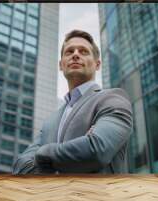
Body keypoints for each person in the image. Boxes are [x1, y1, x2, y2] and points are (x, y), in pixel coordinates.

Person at [12, 30, 133, 174]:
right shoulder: (50, 121)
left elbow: (96, 150)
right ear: (61, 65)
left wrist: (43, 153)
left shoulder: (113, 99)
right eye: (69, 52)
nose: (75, 54)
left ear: (97, 64)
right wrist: (75, 149)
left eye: (84, 52)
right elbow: (20, 167)